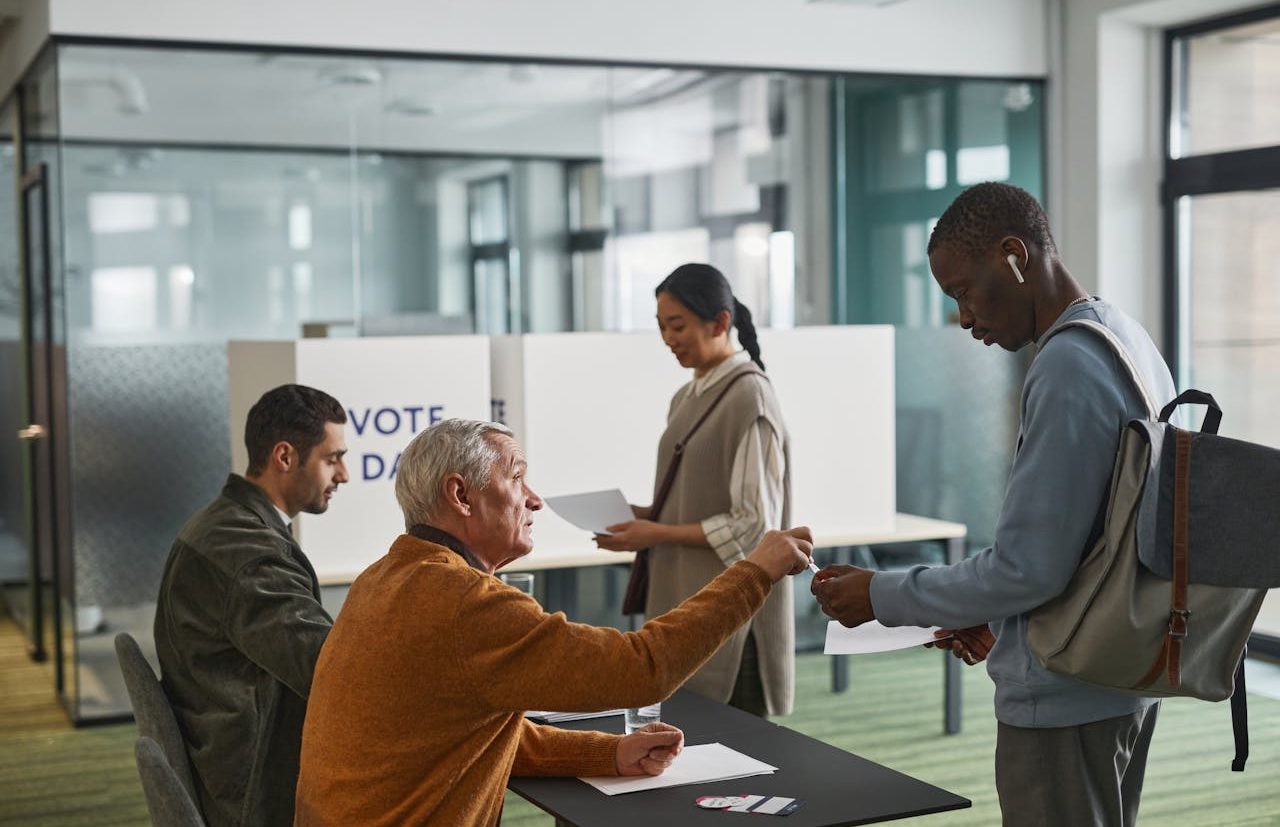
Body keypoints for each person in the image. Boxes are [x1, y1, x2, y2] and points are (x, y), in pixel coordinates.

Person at [811, 182, 1175, 827]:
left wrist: (880, 595)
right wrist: (1003, 621)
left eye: (963, 292)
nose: (964, 318)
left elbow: (1027, 568)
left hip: (1065, 695)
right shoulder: (1123, 335)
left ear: (1015, 255)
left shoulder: (1067, 364)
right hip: (1118, 667)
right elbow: (1095, 539)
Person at [295, 418, 813, 827]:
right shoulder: (463, 603)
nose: (535, 498)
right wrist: (755, 572)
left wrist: (611, 752)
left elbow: (470, 732)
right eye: (517, 477)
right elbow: (643, 669)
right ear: (461, 496)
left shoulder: (383, 578)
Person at [595, 262, 794, 718]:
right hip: (688, 607)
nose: (669, 338)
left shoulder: (751, 398)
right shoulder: (688, 396)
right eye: (662, 326)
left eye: (678, 325)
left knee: (739, 763)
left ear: (720, 322)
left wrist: (655, 533)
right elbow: (695, 499)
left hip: (732, 618)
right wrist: (644, 515)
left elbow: (753, 528)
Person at [153, 383, 349, 827]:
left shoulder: (227, 523)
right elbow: (330, 670)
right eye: (332, 458)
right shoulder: (246, 554)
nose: (344, 475)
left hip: (225, 753)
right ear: (284, 457)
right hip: (254, 787)